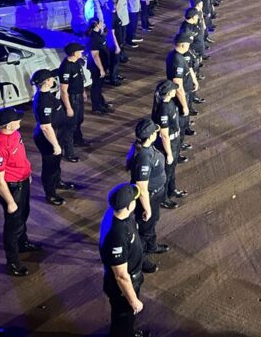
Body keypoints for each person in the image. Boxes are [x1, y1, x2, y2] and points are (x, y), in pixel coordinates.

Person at [0, 107, 42, 277]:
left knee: (24, 215)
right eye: (17, 119)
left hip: (22, 181)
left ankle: (22, 242)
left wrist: (27, 174)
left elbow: (20, 158)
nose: (20, 120)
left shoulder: (14, 134)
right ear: (9, 125)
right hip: (12, 187)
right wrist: (10, 202)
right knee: (13, 225)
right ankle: (13, 262)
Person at [99, 184, 150, 337]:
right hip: (122, 287)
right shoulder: (117, 235)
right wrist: (134, 300)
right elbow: (121, 276)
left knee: (126, 320)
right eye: (134, 199)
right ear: (129, 206)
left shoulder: (116, 215)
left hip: (131, 278)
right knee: (124, 318)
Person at [126, 120, 170, 264]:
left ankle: (152, 246)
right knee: (144, 229)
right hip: (148, 198)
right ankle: (141, 259)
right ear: (150, 136)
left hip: (155, 194)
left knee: (151, 224)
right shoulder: (143, 157)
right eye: (155, 132)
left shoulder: (146, 148)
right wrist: (147, 208)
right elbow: (142, 188)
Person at [32, 69, 75, 204]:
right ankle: (50, 194)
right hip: (47, 138)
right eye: (51, 78)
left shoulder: (46, 95)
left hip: (54, 134)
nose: (53, 79)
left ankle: (57, 182)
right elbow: (45, 126)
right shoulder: (43, 102)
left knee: (56, 163)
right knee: (49, 167)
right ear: (47, 82)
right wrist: (55, 144)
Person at [152, 80, 188, 210]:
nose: (175, 90)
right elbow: (164, 134)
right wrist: (168, 153)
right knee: (167, 173)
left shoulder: (170, 103)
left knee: (172, 170)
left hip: (175, 140)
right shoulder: (164, 109)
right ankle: (163, 198)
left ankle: (172, 190)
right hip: (169, 143)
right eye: (173, 89)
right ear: (168, 93)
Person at [59, 42, 90, 157]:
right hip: (71, 99)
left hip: (79, 96)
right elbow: (63, 90)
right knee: (70, 126)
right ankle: (69, 152)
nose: (82, 52)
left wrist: (83, 92)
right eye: (80, 51)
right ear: (74, 53)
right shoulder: (66, 67)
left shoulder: (76, 62)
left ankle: (78, 140)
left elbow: (79, 80)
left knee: (79, 120)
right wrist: (68, 107)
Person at [166, 32, 199, 138]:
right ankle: (181, 139)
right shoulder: (177, 60)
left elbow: (188, 68)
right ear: (183, 44)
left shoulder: (177, 55)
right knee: (182, 115)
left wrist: (194, 80)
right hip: (182, 95)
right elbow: (178, 86)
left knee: (185, 115)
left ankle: (186, 128)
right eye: (188, 43)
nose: (189, 45)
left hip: (186, 92)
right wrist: (184, 106)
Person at [87, 18, 111, 113]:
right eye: (101, 22)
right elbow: (95, 55)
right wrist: (101, 69)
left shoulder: (97, 35)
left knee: (99, 86)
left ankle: (101, 102)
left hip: (102, 65)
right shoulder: (93, 38)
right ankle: (96, 107)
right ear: (97, 25)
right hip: (96, 67)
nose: (103, 23)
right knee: (96, 87)